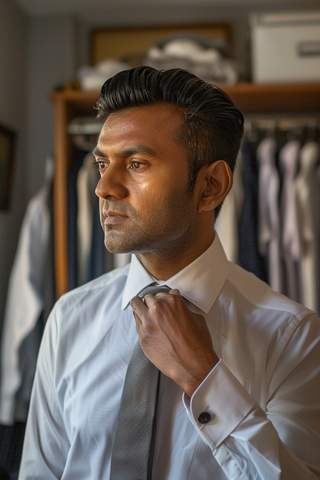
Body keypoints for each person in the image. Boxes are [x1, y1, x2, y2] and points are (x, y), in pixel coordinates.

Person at [19, 66, 320, 479]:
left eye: (137, 163)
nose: (104, 187)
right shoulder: (70, 318)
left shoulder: (293, 337)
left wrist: (205, 377)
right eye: (102, 163)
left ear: (210, 186)